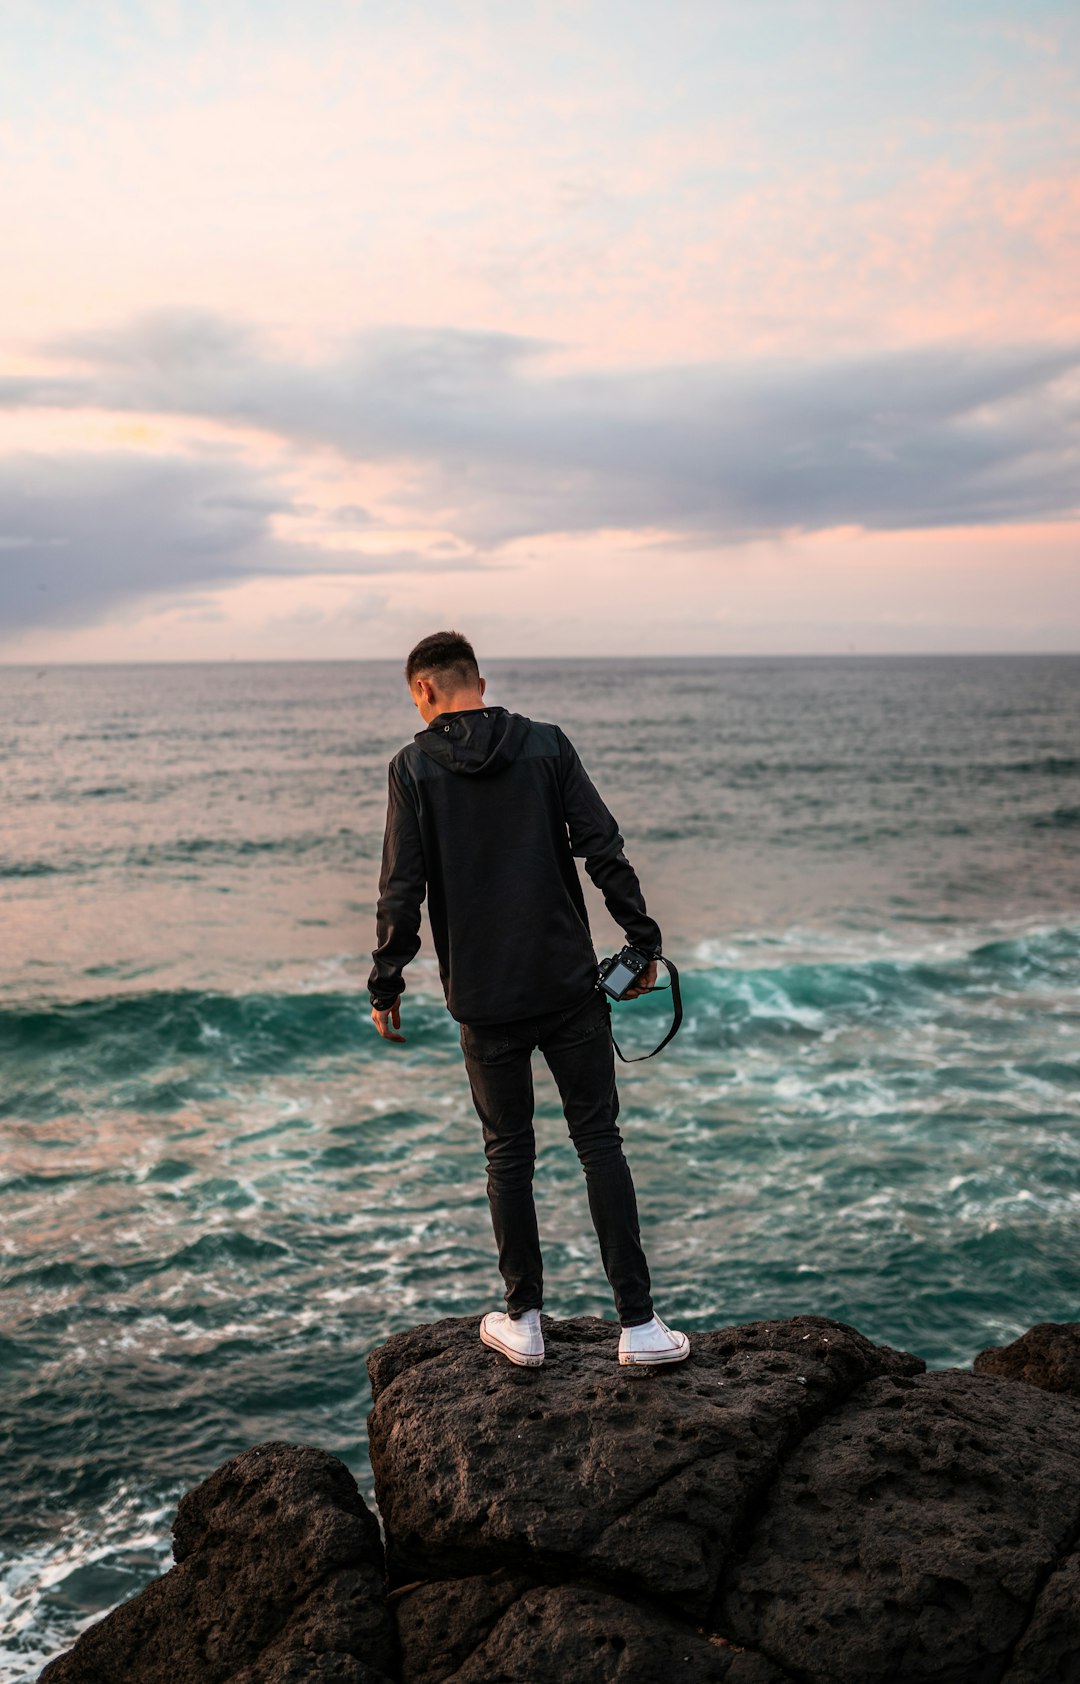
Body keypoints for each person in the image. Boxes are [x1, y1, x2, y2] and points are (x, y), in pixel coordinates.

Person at [367, 630, 689, 1370]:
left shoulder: (412, 767)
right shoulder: (546, 746)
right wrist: (643, 941)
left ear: (423, 692)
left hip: (484, 1001)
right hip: (568, 987)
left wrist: (387, 982)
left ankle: (524, 1323)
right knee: (598, 1143)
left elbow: (401, 890)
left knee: (507, 1155)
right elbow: (601, 845)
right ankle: (638, 1328)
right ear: (479, 679)